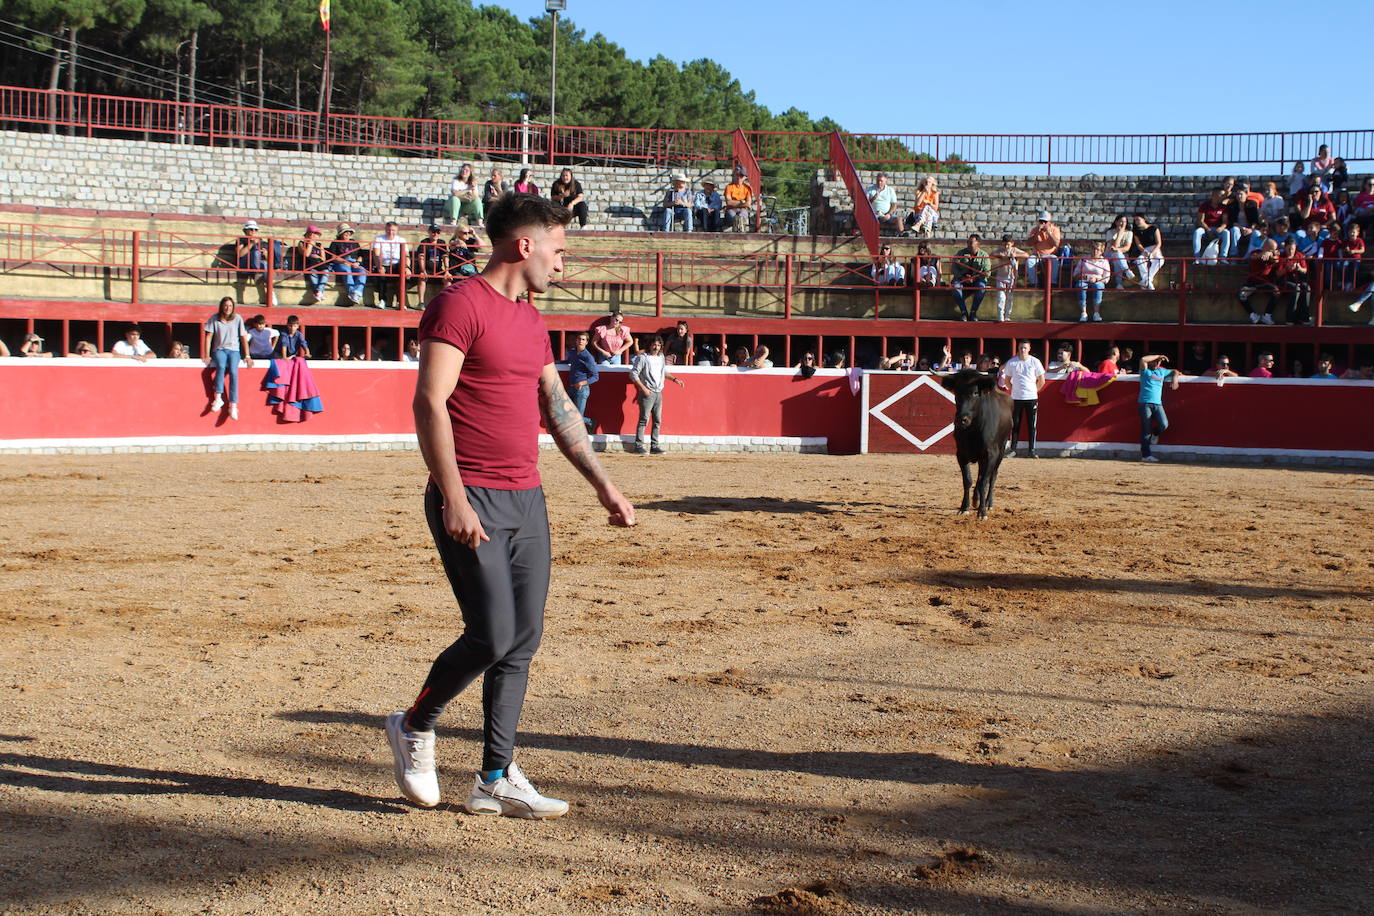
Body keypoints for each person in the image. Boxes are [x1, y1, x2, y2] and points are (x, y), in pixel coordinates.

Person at [390, 193, 635, 817]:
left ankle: (495, 775)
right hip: (470, 494)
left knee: (522, 638)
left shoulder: (530, 320)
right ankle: (416, 723)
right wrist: (453, 497)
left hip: (526, 497)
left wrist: (602, 484)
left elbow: (557, 409)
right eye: (558, 249)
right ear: (524, 245)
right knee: (492, 633)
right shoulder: (459, 304)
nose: (563, 262)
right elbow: (429, 403)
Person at [630, 335, 685, 454]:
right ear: (650, 345)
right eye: (654, 344)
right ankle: (638, 445)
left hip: (658, 392)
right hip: (647, 392)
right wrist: (643, 388)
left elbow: (663, 372)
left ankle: (654, 446)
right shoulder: (643, 358)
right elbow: (633, 374)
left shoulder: (661, 357)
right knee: (644, 419)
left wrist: (675, 379)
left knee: (657, 420)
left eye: (659, 345)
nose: (656, 347)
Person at [203, 296, 252, 420]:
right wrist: (207, 355)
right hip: (219, 349)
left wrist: (247, 355)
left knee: (234, 372)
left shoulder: (238, 318)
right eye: (225, 305)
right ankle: (218, 397)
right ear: (221, 306)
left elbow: (243, 337)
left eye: (230, 306)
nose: (228, 308)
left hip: (234, 351)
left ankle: (233, 405)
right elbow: (208, 337)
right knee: (220, 366)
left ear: (233, 307)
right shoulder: (214, 318)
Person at [997, 340, 1046, 458]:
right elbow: (1007, 381)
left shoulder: (1035, 362)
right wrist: (1015, 391)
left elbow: (1042, 380)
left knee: (1031, 425)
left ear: (1029, 349)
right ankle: (1013, 449)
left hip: (1031, 398)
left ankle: (1032, 450)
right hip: (1016, 398)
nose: (1022, 350)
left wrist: (1033, 391)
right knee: (1015, 424)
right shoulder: (1012, 362)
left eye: (1025, 348)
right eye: (1020, 348)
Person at [1137, 354, 1179, 462]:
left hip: (1157, 404)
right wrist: (1158, 356)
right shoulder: (1145, 370)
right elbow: (1143, 359)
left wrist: (1175, 379)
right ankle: (1146, 455)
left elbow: (1175, 371)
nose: (1158, 363)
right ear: (1150, 361)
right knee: (1146, 431)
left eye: (1159, 361)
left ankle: (1155, 433)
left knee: (1164, 424)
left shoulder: (1161, 371)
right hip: (1145, 403)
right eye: (1156, 361)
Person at [950, 233, 990, 321]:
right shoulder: (961, 253)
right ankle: (963, 312)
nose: (968, 244)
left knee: (982, 287)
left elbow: (987, 271)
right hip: (962, 280)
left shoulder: (984, 255)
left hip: (977, 280)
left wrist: (975, 277)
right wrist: (962, 277)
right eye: (968, 242)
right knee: (955, 285)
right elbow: (954, 267)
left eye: (971, 242)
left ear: (978, 243)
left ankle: (973, 312)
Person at [235, 219, 274, 306]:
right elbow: (239, 254)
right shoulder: (242, 240)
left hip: (259, 266)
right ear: (245, 231)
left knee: (265, 264)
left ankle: (270, 291)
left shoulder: (261, 241)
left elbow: (268, 259)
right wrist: (252, 243)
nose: (253, 231)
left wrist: (265, 254)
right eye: (251, 229)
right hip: (245, 265)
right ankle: (270, 292)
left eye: (255, 229)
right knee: (257, 254)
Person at [989, 234, 1026, 322]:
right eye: (1005, 244)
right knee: (1001, 297)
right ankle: (1000, 316)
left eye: (1008, 244)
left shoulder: (1014, 250)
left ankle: (1007, 315)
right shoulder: (1000, 250)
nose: (1006, 246)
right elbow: (991, 255)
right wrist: (1001, 255)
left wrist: (1015, 255)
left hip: (1012, 277)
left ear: (1012, 243)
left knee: (1009, 297)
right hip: (1001, 276)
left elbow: (1026, 255)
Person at [567, 331, 599, 431]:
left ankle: (590, 421)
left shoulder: (588, 357)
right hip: (571, 387)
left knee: (577, 417)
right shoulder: (573, 352)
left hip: (582, 389)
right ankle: (589, 422)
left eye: (583, 339)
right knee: (567, 413)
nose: (581, 341)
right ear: (576, 341)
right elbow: (569, 361)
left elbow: (595, 377)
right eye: (579, 339)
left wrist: (582, 383)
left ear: (586, 342)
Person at [329, 224, 368, 305]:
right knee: (346, 270)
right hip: (341, 262)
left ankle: (357, 291)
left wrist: (358, 262)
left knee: (363, 271)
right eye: (345, 232)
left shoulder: (354, 243)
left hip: (354, 262)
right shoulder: (335, 243)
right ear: (340, 234)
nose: (348, 234)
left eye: (349, 232)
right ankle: (352, 292)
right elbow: (333, 257)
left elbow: (361, 255)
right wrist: (344, 261)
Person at [413, 223, 451, 306]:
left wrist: (447, 271)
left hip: (438, 270)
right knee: (422, 278)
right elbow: (421, 257)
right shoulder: (424, 242)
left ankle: (445, 303)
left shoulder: (442, 242)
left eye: (438, 232)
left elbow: (445, 257)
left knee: (448, 280)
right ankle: (421, 302)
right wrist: (423, 271)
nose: (435, 234)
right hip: (426, 269)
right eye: (433, 231)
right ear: (429, 232)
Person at [1025, 210, 1066, 287]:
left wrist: (1049, 233)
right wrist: (1037, 233)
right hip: (1037, 255)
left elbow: (1056, 244)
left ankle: (1053, 282)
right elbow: (1028, 243)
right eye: (1041, 221)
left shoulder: (1055, 230)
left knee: (1054, 260)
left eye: (1045, 221)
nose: (1043, 223)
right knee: (1030, 261)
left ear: (1049, 222)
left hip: (1050, 254)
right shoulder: (1035, 230)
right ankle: (1033, 283)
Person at [1275, 238, 1311, 325]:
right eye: (1288, 249)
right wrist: (1286, 269)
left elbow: (1305, 270)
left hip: (1297, 279)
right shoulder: (1281, 256)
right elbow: (1278, 274)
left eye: (1292, 249)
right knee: (1296, 289)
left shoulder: (1299, 255)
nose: (1291, 251)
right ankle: (1290, 318)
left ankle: (1304, 317)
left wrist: (1299, 268)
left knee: (1306, 287)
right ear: (1285, 248)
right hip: (1284, 281)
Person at [1073, 241, 1111, 322]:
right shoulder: (1084, 259)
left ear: (1101, 251)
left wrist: (1097, 279)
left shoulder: (1104, 261)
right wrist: (1082, 276)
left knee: (1097, 286)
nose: (1095, 251)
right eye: (1093, 249)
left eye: (1097, 249)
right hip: (1084, 279)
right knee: (1080, 286)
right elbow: (1075, 273)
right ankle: (1083, 313)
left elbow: (1107, 278)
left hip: (1098, 280)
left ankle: (1096, 313)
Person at [372, 222, 406, 309]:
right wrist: (379, 266)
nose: (391, 232)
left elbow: (406, 256)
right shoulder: (379, 238)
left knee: (402, 275)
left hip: (397, 264)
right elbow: (376, 254)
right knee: (381, 276)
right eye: (388, 230)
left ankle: (400, 302)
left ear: (397, 231)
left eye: (393, 230)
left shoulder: (401, 240)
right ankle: (382, 300)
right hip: (383, 263)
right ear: (385, 230)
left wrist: (407, 267)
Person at [1192, 188, 1231, 263]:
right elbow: (1200, 220)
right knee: (1197, 232)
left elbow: (1225, 222)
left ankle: (1223, 257)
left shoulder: (1223, 207)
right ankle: (1197, 258)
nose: (1223, 197)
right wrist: (1208, 230)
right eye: (1221, 195)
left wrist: (1221, 228)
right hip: (1205, 229)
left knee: (1226, 232)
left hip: (1218, 229)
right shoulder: (1204, 205)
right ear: (1215, 195)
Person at [1131, 213, 1165, 291]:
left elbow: (1159, 243)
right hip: (1144, 250)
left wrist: (1152, 253)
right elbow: (1139, 244)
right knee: (1140, 260)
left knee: (1160, 260)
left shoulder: (1154, 228)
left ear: (1144, 219)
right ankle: (1148, 281)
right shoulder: (1136, 232)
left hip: (1155, 249)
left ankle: (1146, 280)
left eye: (1138, 220)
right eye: (1135, 220)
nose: (1137, 222)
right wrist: (1144, 251)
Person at [297, 226, 330, 303]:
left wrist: (317, 256)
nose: (314, 235)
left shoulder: (319, 245)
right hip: (308, 264)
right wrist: (310, 244)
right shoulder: (301, 243)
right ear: (307, 234)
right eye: (312, 233)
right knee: (313, 272)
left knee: (326, 272)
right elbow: (306, 254)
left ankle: (318, 291)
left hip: (319, 264)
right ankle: (318, 292)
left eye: (316, 234)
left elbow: (323, 258)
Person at [1106, 215, 1135, 288]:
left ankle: (1118, 284)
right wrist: (1120, 233)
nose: (1122, 223)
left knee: (1117, 257)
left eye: (1124, 222)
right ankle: (1127, 271)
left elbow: (1127, 248)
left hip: (1121, 256)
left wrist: (1117, 250)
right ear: (1116, 222)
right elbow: (1115, 245)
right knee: (1116, 254)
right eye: (1121, 221)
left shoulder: (1129, 233)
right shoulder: (1110, 232)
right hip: (1108, 255)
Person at [723, 167, 754, 232]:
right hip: (731, 210)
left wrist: (734, 203)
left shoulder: (748, 188)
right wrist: (741, 202)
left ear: (745, 177)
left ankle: (740, 231)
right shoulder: (729, 187)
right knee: (734, 218)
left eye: (741, 175)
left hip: (743, 210)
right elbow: (728, 202)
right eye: (737, 175)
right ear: (734, 175)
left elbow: (748, 203)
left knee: (741, 217)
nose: (739, 177)